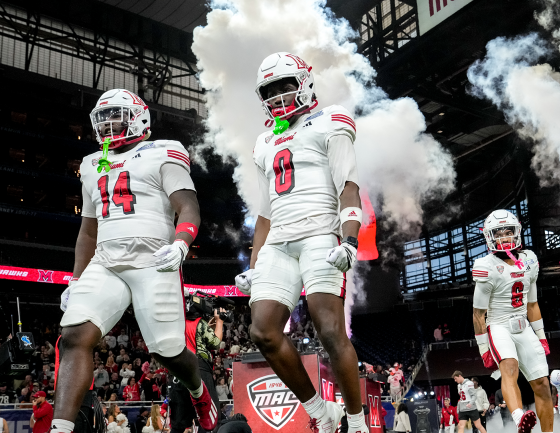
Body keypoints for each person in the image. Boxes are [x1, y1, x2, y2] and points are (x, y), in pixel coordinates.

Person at [55, 89, 217, 433]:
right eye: (103, 119)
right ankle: (60, 429)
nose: (109, 125)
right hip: (106, 261)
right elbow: (88, 230)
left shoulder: (164, 151)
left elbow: (188, 206)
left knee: (166, 351)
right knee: (73, 336)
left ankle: (199, 392)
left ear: (139, 118)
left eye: (116, 116)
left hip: (153, 259)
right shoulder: (90, 163)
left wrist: (181, 243)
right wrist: (75, 278)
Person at [233, 52, 366, 433]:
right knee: (263, 331)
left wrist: (350, 239)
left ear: (305, 84)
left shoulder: (330, 121)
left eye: (284, 86)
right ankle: (323, 414)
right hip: (278, 242)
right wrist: (255, 265)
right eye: (269, 91)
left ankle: (356, 423)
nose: (277, 96)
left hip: (320, 234)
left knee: (328, 329)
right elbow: (264, 213)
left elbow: (348, 185)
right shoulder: (263, 142)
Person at [471, 210, 553, 433]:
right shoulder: (486, 266)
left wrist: (542, 337)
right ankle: (519, 418)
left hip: (523, 325)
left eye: (509, 232)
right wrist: (483, 348)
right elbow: (478, 314)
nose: (505, 237)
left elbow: (533, 304)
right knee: (509, 366)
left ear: (517, 232)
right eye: (499, 233)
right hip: (498, 325)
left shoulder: (529, 260)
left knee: (543, 385)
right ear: (490, 237)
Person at [169, 302, 225, 433]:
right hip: (199, 370)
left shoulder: (176, 324)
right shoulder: (200, 322)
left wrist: (211, 324)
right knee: (208, 419)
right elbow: (216, 342)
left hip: (177, 371)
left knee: (178, 422)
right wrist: (220, 321)